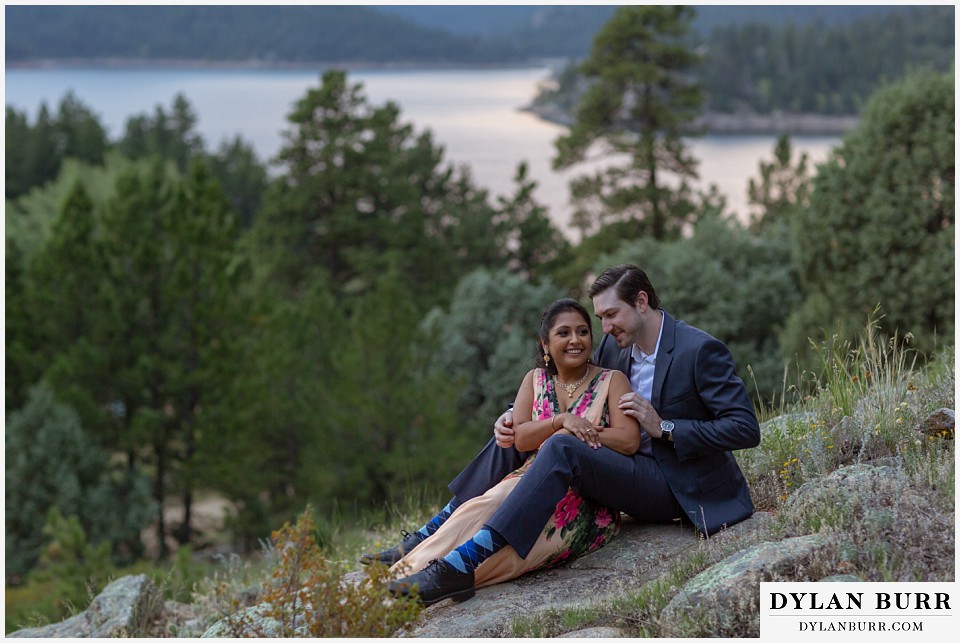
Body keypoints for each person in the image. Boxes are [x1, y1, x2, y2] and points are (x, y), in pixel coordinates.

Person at [365, 264, 761, 606]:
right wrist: (511, 418)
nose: (603, 328)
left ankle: (463, 563)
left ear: (642, 301)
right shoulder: (616, 345)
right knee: (515, 435)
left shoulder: (699, 349)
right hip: (622, 467)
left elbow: (744, 428)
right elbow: (572, 385)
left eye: (611, 315)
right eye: (600, 319)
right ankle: (426, 534)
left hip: (673, 485)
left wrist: (666, 428)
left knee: (561, 443)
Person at [374, 298, 641, 605]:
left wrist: (574, 434)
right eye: (564, 333)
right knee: (482, 508)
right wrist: (559, 421)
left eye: (582, 332)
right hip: (530, 483)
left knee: (509, 547)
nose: (575, 340)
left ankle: (431, 576)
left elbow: (628, 440)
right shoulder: (536, 380)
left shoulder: (612, 380)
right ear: (545, 343)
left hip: (584, 502)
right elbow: (521, 439)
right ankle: (408, 573)